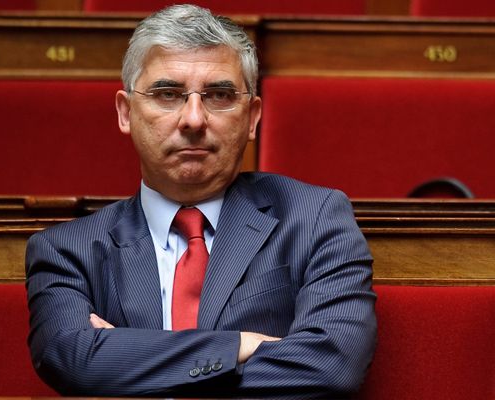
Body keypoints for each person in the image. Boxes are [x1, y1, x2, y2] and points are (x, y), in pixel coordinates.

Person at [25, 4, 376, 398]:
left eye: (219, 95)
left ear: (253, 118)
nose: (193, 119)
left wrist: (130, 361)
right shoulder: (66, 250)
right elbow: (72, 361)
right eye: (168, 94)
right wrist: (241, 345)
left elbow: (332, 367)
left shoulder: (314, 219)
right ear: (126, 113)